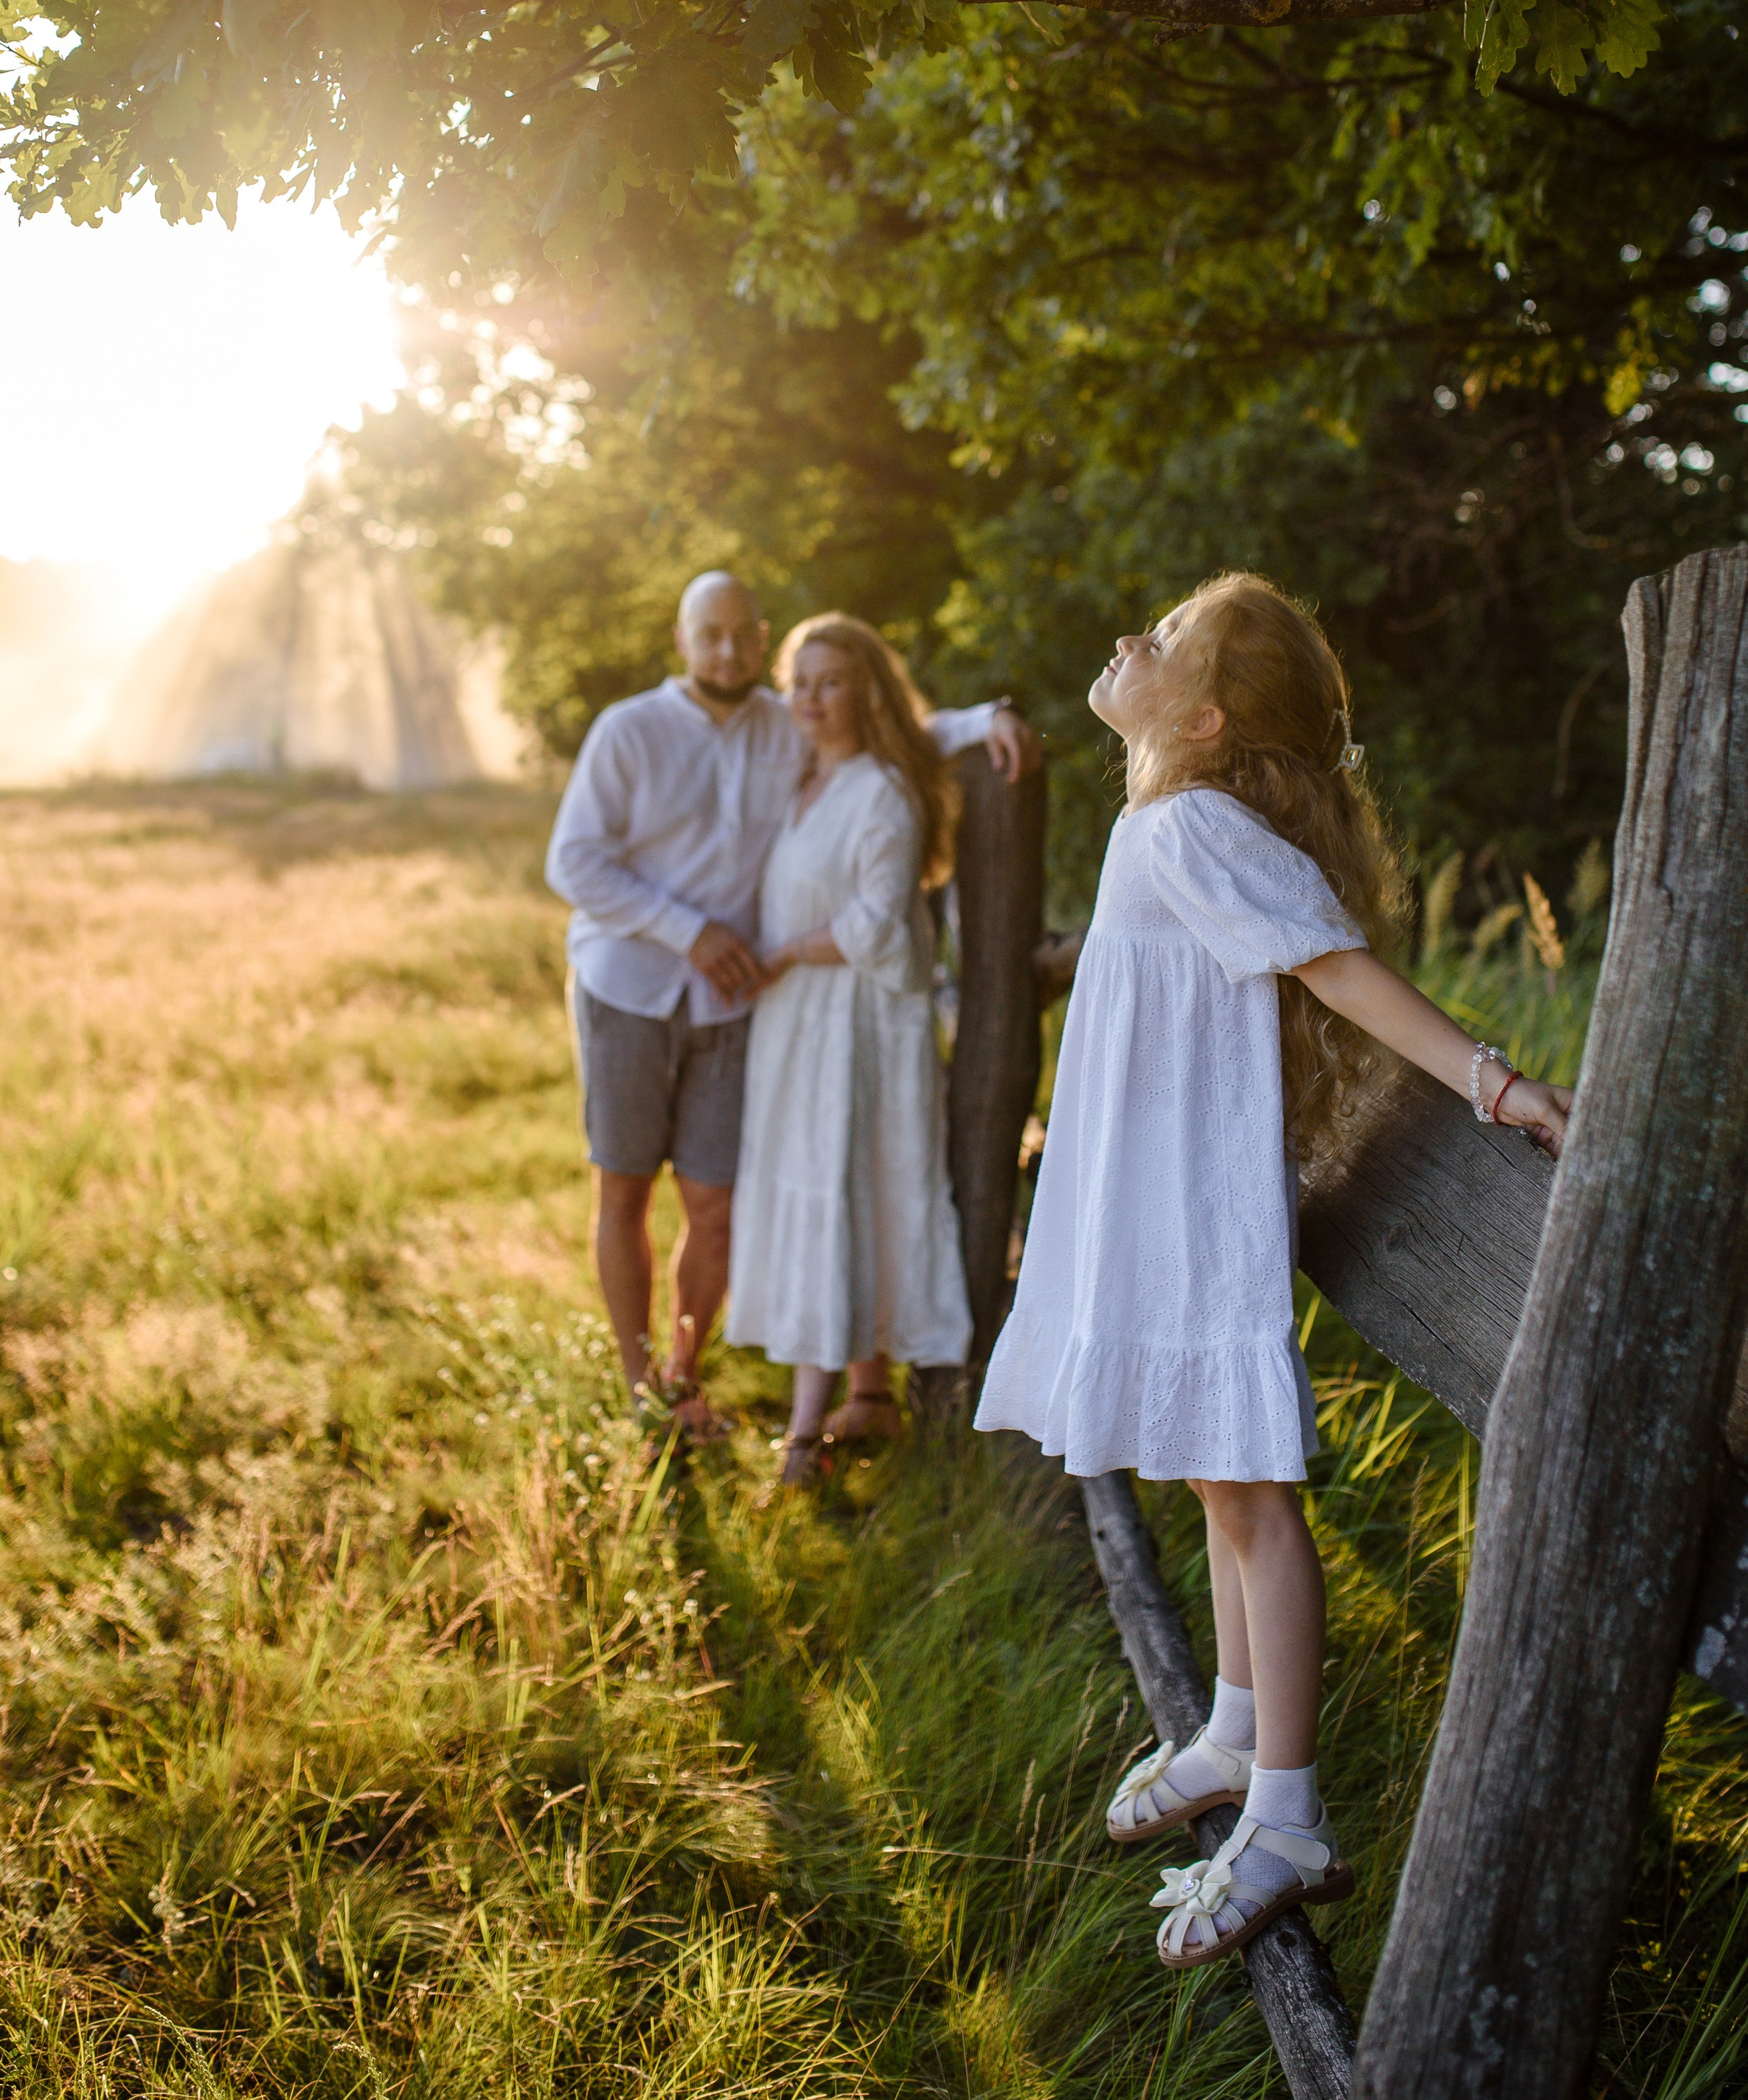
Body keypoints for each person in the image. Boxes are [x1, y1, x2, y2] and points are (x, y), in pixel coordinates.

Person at [975, 571, 1570, 1972]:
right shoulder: (1160, 820)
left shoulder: (1190, 823)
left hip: (1190, 1211)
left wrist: (1499, 1081)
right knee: (1209, 1476)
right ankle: (1238, 1724)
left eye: (1165, 638)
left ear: (1207, 712)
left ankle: (1290, 1811)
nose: (1130, 636)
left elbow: (1337, 965)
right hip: (1148, 1199)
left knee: (1250, 1494)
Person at [545, 571, 1037, 1433]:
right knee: (623, 1191)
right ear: (682, 639)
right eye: (711, 636)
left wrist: (986, 718)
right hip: (629, 983)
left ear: (759, 636)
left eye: (743, 635)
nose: (728, 651)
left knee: (713, 1205)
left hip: (733, 1002)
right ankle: (641, 1391)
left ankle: (683, 1377)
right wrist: (686, 931)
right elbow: (573, 864)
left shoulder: (786, 722)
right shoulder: (629, 732)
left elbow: (896, 726)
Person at [724, 615, 974, 1488]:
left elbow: (876, 924)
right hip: (798, 1025)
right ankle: (868, 1395)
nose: (812, 699)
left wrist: (785, 952)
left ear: (866, 690)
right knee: (828, 1188)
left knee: (847, 1188)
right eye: (801, 682)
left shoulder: (884, 792)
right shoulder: (801, 779)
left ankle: (801, 1436)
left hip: (859, 1025)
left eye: (832, 682)